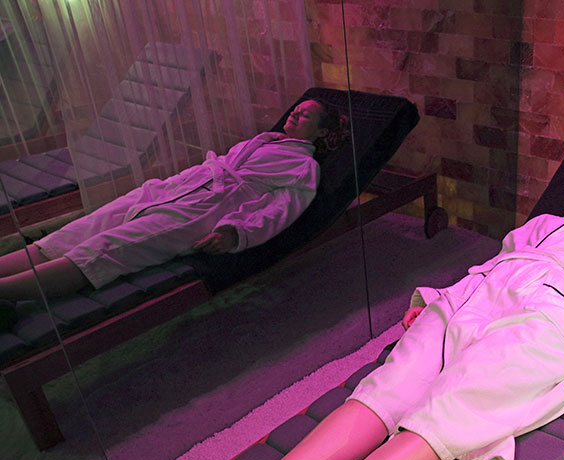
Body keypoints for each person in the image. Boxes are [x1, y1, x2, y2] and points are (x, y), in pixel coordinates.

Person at [176, 153, 564, 460]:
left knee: (449, 409)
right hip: (477, 297)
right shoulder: (544, 223)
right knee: (388, 388)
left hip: (550, 317)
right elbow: (496, 263)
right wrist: (440, 297)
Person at [0, 99, 347, 313]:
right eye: (298, 109)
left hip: (203, 210)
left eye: (306, 116)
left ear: (320, 132)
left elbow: (281, 210)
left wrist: (235, 233)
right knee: (84, 227)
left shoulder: (304, 167)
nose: (296, 113)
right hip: (172, 188)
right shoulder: (267, 138)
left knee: (107, 248)